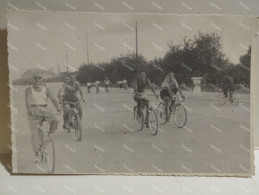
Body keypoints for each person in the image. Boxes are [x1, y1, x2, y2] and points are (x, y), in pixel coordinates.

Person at [25, 73, 61, 163]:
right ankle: (36, 154)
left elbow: (53, 99)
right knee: (34, 134)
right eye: (35, 78)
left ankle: (50, 135)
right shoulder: (29, 90)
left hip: (45, 110)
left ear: (42, 80)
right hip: (34, 111)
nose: (37, 80)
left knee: (55, 120)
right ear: (32, 80)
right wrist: (30, 109)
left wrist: (58, 107)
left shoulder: (46, 89)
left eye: (39, 78)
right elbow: (28, 102)